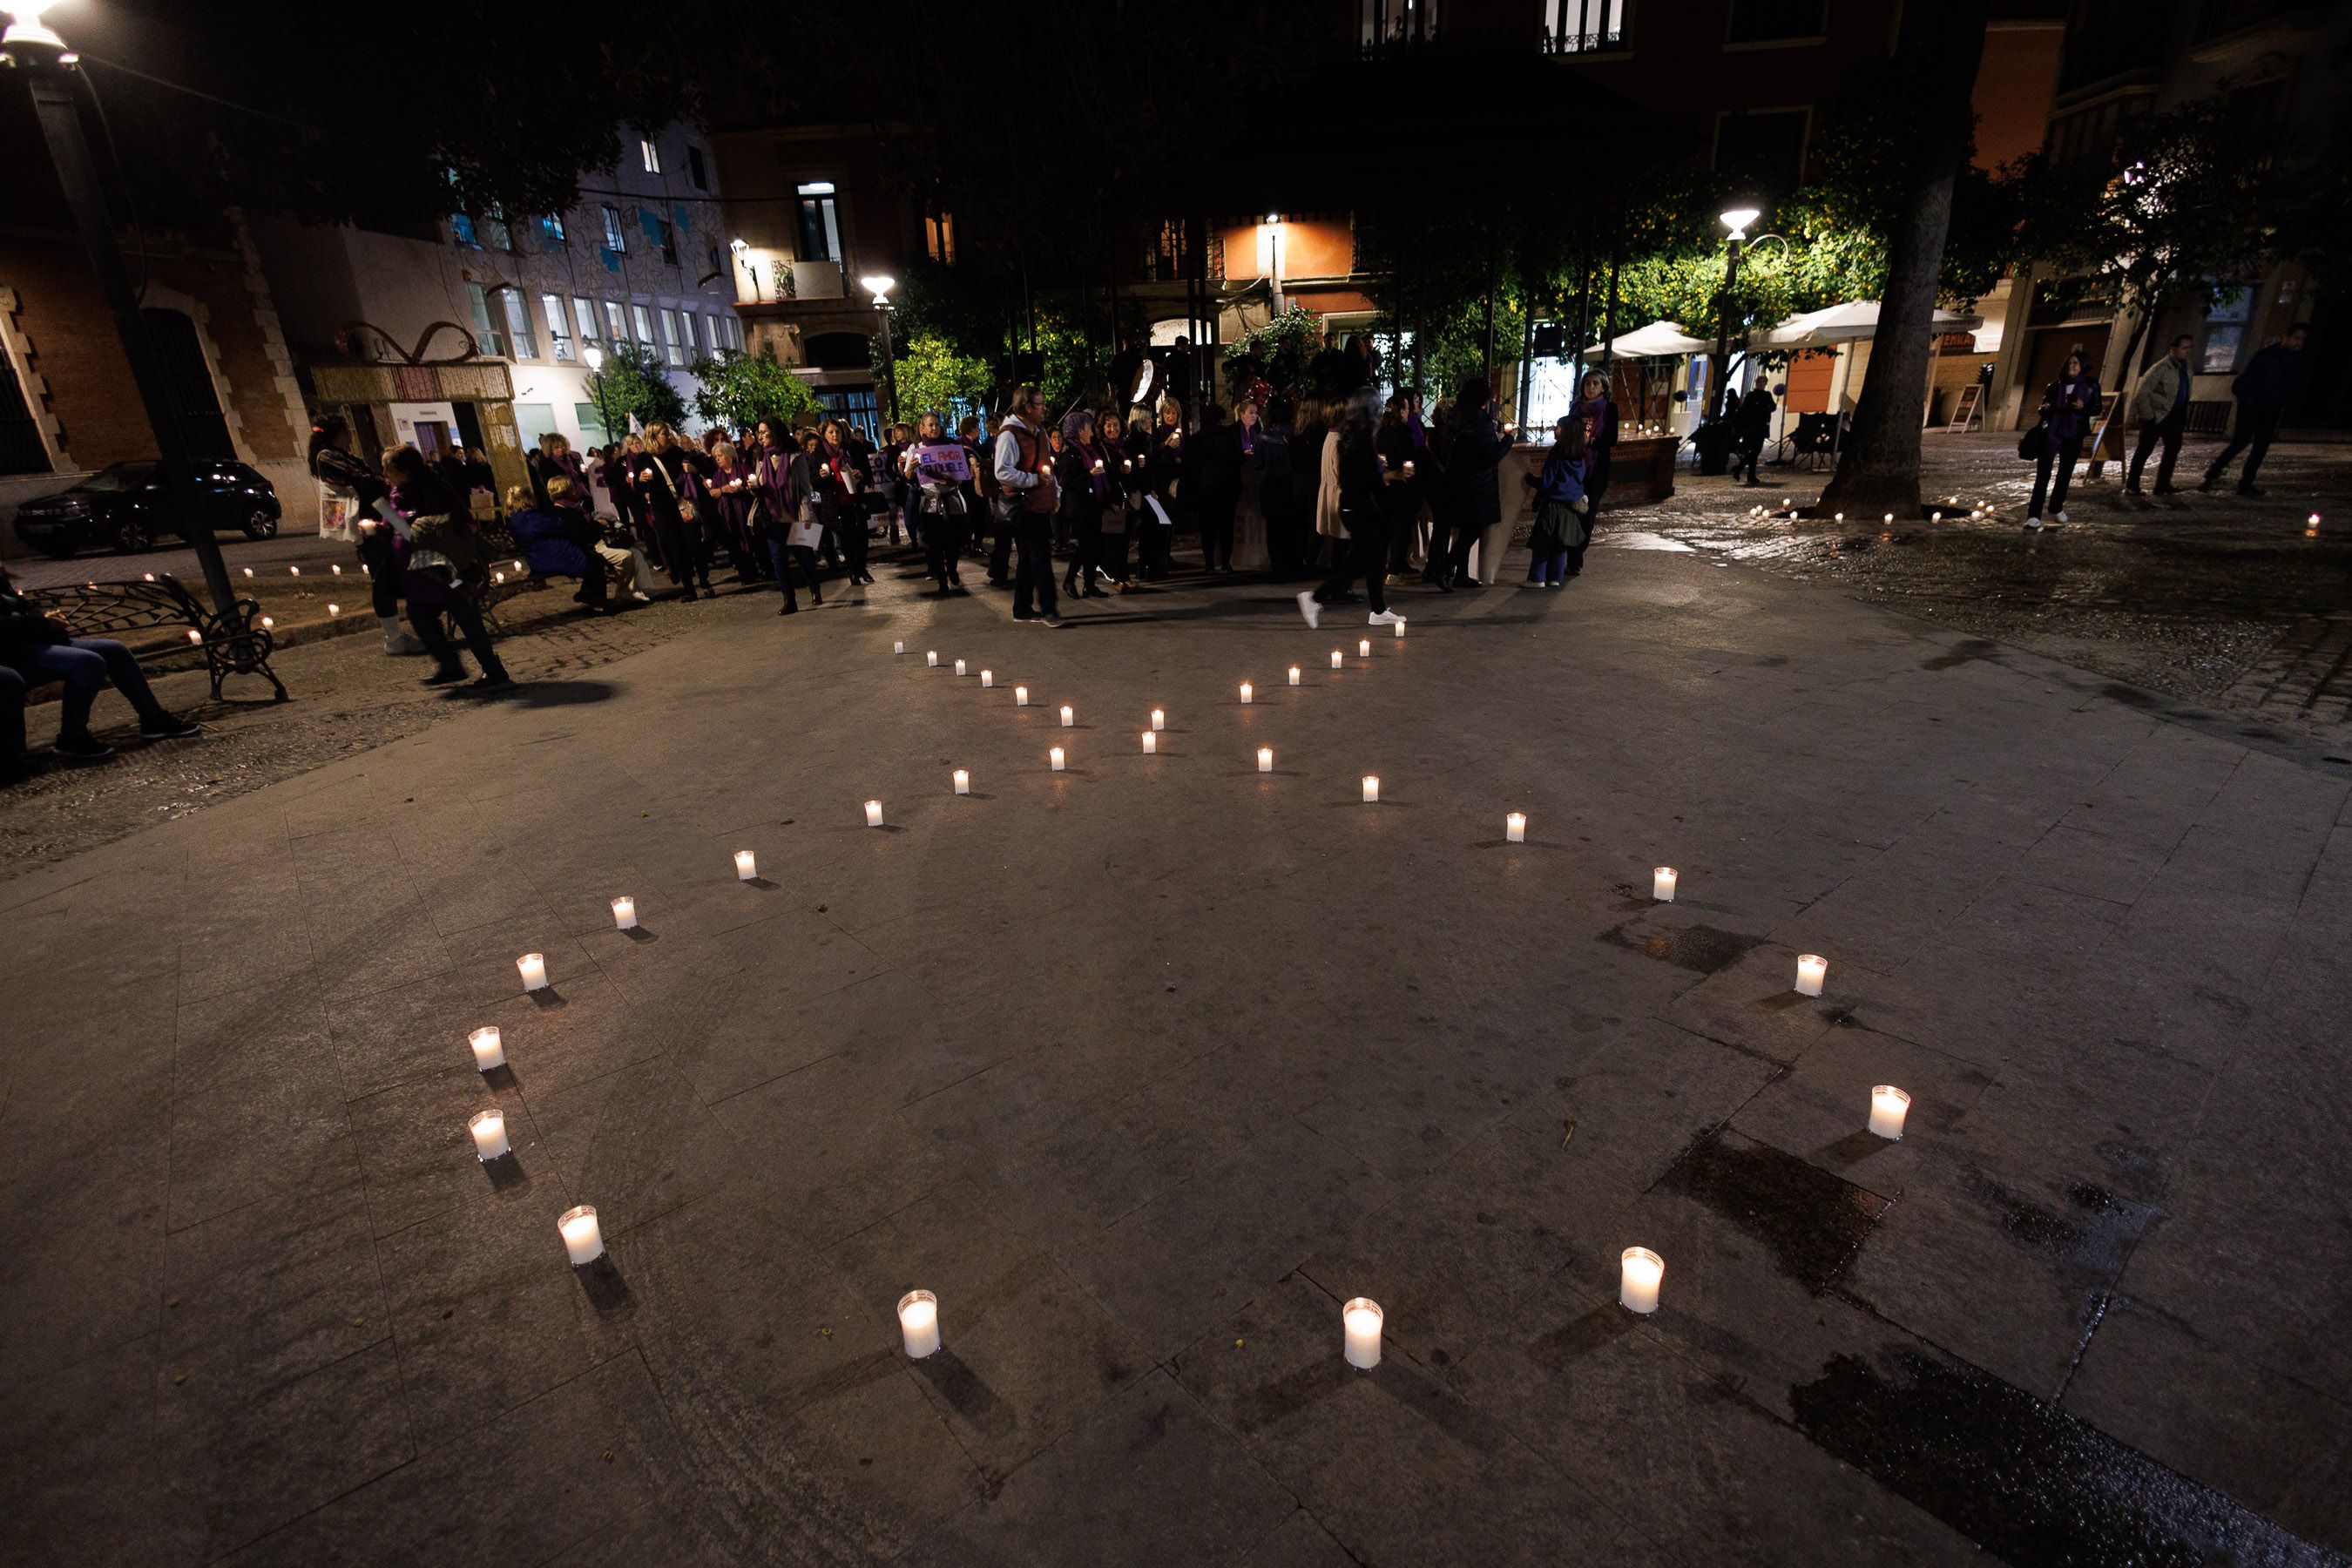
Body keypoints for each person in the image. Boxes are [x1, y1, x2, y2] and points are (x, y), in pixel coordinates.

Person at [0, 560, 203, 766]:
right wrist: (42, 622)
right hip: (12, 652)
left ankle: (153, 719)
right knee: (87, 662)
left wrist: (45, 615)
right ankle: (72, 736)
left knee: (114, 650)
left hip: (34, 641)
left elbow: (24, 607)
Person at [381, 445, 510, 688]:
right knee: (420, 615)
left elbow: (460, 518)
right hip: (417, 572)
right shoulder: (395, 493)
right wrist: (379, 527)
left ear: (405, 469)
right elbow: (393, 524)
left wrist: (424, 526)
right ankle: (450, 664)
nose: (385, 473)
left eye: (388, 467)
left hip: (445, 565)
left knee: (465, 613)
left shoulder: (434, 487)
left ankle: (492, 669)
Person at [309, 416, 421, 656]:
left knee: (405, 560)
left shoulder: (337, 455)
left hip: (378, 515)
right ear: (337, 434)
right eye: (346, 432)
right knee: (382, 578)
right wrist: (390, 486)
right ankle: (395, 638)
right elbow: (364, 481)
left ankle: (412, 631)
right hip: (371, 521)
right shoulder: (328, 456)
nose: (350, 436)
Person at [1296, 389, 1404, 630]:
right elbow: (1361, 477)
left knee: (1374, 560)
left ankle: (1378, 611)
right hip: (1360, 507)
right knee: (1362, 562)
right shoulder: (1361, 436)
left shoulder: (1351, 433)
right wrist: (1390, 474)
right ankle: (1314, 598)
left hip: (1357, 505)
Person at [2201, 324, 2308, 497]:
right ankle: (2212, 475)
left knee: (2261, 446)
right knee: (2240, 442)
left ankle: (2245, 483)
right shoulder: (2266, 356)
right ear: (2286, 337)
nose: (2299, 343)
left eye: (2302, 339)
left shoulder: (2297, 361)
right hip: (2253, 406)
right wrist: (2250, 401)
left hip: (2271, 409)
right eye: (2296, 338)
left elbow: (2293, 387)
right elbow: (2242, 382)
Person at [1432, 375, 1516, 586]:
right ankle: (1444, 569)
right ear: (1484, 400)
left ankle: (1460, 575)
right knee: (1474, 529)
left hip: (1454, 480)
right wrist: (1509, 439)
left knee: (1464, 527)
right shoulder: (1480, 420)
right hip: (1477, 484)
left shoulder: (1455, 415)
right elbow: (1491, 454)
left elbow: (1445, 448)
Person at [993, 383, 1064, 626]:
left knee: (1028, 557)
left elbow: (1047, 466)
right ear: (1026, 407)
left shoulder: (1039, 431)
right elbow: (1002, 472)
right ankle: (1049, 609)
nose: (1044, 408)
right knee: (1040, 555)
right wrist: (1033, 480)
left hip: (1039, 503)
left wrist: (1055, 493)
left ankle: (1022, 607)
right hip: (1024, 506)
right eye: (1040, 404)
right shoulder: (1009, 435)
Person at [629, 423, 713, 598]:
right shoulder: (643, 459)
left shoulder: (677, 453)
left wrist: (695, 470)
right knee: (676, 548)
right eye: (663, 434)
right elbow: (637, 486)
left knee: (694, 544)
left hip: (683, 504)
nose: (668, 437)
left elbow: (706, 469)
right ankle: (689, 589)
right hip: (662, 509)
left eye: (668, 433)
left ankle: (704, 580)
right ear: (653, 437)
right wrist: (641, 479)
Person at [2025, 353, 2100, 528]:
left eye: (2075, 363)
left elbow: (2097, 408)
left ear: (2083, 366)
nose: (2072, 366)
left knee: (2064, 474)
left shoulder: (2091, 385)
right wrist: (2045, 408)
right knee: (2042, 475)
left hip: (2074, 434)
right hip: (2051, 433)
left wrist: (2084, 407)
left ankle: (2056, 508)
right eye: (2069, 363)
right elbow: (2042, 407)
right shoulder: (2054, 386)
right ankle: (2034, 515)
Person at [902, 411, 973, 595]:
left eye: (937, 425)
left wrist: (955, 480)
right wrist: (912, 467)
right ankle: (942, 580)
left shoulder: (952, 445)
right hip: (930, 504)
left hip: (952, 500)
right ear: (922, 428)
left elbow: (963, 474)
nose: (934, 428)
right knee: (934, 544)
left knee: (955, 541)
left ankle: (952, 568)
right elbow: (908, 477)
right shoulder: (915, 449)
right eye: (930, 425)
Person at [552, 476, 654, 599]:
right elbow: (578, 533)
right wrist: (597, 524)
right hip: (590, 546)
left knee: (636, 552)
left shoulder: (574, 506)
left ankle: (636, 589)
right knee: (625, 556)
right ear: (564, 491)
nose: (576, 490)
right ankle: (627, 591)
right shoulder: (561, 511)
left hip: (598, 541)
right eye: (572, 488)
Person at [1524, 415, 1592, 586]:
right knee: (1561, 543)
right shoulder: (1579, 456)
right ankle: (1555, 577)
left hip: (1552, 505)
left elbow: (1547, 482)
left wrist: (1530, 479)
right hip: (1570, 507)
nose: (1556, 430)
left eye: (1559, 427)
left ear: (1568, 432)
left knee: (1543, 542)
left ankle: (1537, 578)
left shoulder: (1557, 454)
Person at [2126, 334, 2195, 497]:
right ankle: (2132, 485)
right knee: (2145, 449)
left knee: (2173, 449)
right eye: (2184, 348)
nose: (2188, 351)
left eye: (2190, 348)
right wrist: (2149, 417)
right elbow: (2141, 395)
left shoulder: (2186, 367)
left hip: (2175, 415)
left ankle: (2163, 484)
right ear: (2173, 350)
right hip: (2157, 415)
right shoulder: (2160, 368)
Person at [773, 429, 829, 614]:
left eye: (765, 432)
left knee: (804, 557)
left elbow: (805, 488)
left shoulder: (795, 458)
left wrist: (806, 517)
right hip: (773, 518)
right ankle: (789, 599)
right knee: (778, 559)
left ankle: (814, 588)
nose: (761, 436)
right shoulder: (761, 459)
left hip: (795, 514)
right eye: (760, 432)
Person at [1057, 410, 1111, 599]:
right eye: (1089, 428)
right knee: (1086, 546)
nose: (1093, 433)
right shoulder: (1070, 455)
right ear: (1080, 431)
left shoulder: (1091, 450)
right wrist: (1090, 475)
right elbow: (1068, 482)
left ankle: (1089, 585)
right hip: (1079, 508)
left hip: (1094, 505)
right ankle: (1069, 580)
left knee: (1095, 546)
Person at [817, 418, 875, 585]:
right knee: (847, 539)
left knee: (863, 537)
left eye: (838, 431)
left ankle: (862, 567)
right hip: (837, 503)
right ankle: (852, 571)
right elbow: (814, 480)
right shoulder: (820, 453)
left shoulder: (853, 449)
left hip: (855, 499)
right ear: (824, 435)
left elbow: (867, 472)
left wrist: (861, 475)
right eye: (831, 432)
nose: (835, 435)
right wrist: (823, 478)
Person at [1190, 403, 1242, 572]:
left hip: (1207, 487)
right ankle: (1226, 562)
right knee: (1226, 526)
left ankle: (1209, 563)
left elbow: (1193, 466)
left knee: (1208, 527)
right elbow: (1239, 458)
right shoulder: (1230, 436)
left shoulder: (1198, 439)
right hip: (1228, 486)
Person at [705, 440, 764, 583]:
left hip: (746, 511)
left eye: (720, 455)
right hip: (729, 515)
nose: (717, 459)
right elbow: (712, 493)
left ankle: (764, 568)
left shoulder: (743, 469)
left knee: (754, 541)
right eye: (716, 456)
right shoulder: (718, 475)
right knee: (737, 544)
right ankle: (746, 574)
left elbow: (754, 486)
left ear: (729, 456)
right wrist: (722, 490)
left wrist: (743, 489)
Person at [1376, 395, 1419, 581]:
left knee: (1388, 528)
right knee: (1401, 527)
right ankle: (1395, 569)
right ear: (1402, 411)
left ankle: (1392, 565)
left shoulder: (1382, 431)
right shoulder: (1403, 432)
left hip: (1386, 483)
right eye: (1407, 408)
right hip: (1401, 485)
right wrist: (1409, 475)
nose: (1409, 411)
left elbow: (1380, 457)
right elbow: (1408, 459)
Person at [1097, 409, 1137, 591]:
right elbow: (1105, 476)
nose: (1112, 429)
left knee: (1125, 539)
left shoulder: (1126, 446)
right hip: (1111, 498)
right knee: (1113, 539)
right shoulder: (1101, 448)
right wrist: (1119, 472)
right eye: (1108, 425)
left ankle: (1125, 576)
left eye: (1115, 425)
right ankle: (1116, 578)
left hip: (1126, 497)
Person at [1572, 372, 1619, 512]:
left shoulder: (1609, 408)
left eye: (1595, 383)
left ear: (1603, 387)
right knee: (1573, 509)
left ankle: (1584, 535)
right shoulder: (1576, 407)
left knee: (1588, 510)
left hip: (1597, 468)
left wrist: (1591, 441)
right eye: (1587, 383)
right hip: (1574, 464)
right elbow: (1569, 428)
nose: (1591, 387)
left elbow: (1612, 439)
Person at [1734, 382, 1775, 485]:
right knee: (1754, 450)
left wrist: (1765, 409)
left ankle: (1743, 470)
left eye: (1763, 382)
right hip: (1752, 427)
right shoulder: (1751, 395)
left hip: (1760, 426)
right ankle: (1745, 472)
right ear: (1757, 384)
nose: (1761, 385)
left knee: (1755, 451)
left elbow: (1773, 407)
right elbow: (1745, 409)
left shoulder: (1766, 395)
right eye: (1760, 383)